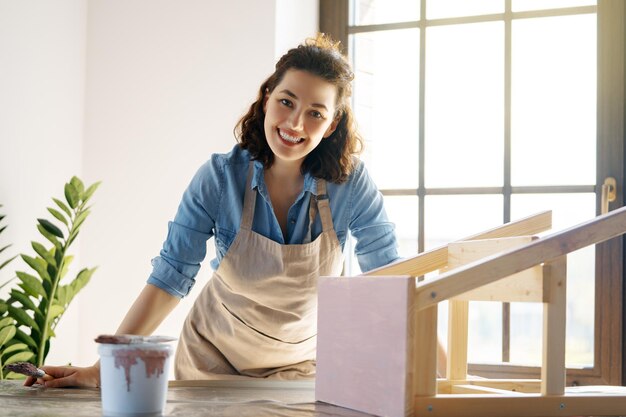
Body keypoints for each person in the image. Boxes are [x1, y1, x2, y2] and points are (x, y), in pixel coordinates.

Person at [25, 33, 400, 387]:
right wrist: (103, 368)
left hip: (300, 366)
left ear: (332, 124)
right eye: (286, 101)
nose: (295, 123)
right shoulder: (220, 179)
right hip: (212, 361)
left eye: (316, 113)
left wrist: (428, 370)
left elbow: (390, 278)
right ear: (267, 97)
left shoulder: (349, 184)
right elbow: (170, 278)